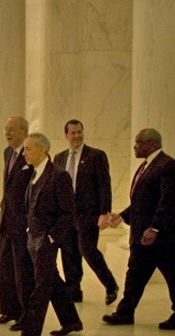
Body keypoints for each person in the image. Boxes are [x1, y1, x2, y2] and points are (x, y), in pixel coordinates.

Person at [104, 128, 175, 330]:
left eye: (137, 143)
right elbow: (142, 202)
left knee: (174, 277)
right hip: (143, 237)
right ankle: (125, 313)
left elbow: (168, 201)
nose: (134, 147)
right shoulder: (146, 166)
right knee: (135, 275)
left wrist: (155, 228)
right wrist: (122, 216)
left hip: (164, 238)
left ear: (151, 144)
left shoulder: (168, 165)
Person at [11, 133, 83, 336]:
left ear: (42, 150)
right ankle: (71, 321)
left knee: (41, 286)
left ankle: (29, 333)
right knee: (53, 281)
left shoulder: (58, 176)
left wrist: (52, 237)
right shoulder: (33, 174)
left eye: (29, 149)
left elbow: (68, 212)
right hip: (32, 237)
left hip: (45, 240)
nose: (24, 153)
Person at [54, 119, 119, 305]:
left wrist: (104, 212)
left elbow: (104, 186)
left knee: (88, 250)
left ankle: (110, 285)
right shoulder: (59, 158)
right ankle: (74, 291)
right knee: (68, 253)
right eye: (72, 133)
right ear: (66, 135)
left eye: (79, 132)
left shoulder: (96, 156)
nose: (76, 136)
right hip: (66, 216)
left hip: (88, 215)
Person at [0, 116, 35, 328]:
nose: (7, 133)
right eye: (6, 129)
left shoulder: (33, 154)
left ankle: (25, 315)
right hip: (7, 219)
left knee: (22, 269)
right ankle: (8, 310)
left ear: (24, 131)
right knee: (4, 267)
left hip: (23, 221)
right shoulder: (7, 152)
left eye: (12, 130)